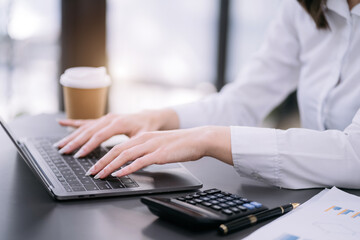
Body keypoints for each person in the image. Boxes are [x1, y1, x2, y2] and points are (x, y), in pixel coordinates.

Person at [54, 0, 360, 189]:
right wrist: (157, 117)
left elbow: (354, 155)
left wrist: (209, 139)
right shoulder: (303, 7)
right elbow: (242, 102)